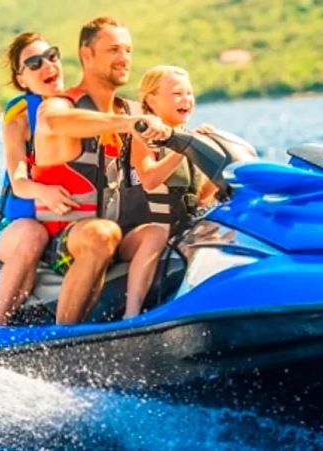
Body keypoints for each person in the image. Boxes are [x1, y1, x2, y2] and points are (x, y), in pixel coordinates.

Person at [33, 17, 172, 323]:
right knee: (102, 233)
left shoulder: (130, 111)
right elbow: (55, 123)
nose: (124, 58)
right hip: (64, 240)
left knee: (156, 231)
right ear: (87, 54)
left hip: (115, 234)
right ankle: (63, 337)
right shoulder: (60, 105)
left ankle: (134, 321)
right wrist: (127, 125)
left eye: (128, 50)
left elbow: (152, 168)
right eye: (113, 50)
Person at [0, 32, 71, 325]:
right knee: (32, 235)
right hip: (23, 229)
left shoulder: (82, 108)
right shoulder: (21, 121)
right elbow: (19, 182)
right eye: (34, 63)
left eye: (52, 56)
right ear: (22, 79)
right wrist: (45, 192)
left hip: (68, 226)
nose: (47, 65)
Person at [132, 65, 218, 236]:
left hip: (184, 230)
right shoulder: (143, 138)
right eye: (178, 94)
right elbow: (149, 179)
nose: (186, 99)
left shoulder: (190, 137)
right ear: (152, 101)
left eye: (190, 93)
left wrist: (220, 169)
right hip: (149, 231)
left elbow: (200, 198)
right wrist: (185, 147)